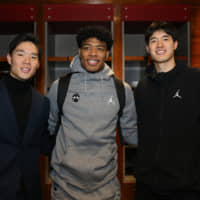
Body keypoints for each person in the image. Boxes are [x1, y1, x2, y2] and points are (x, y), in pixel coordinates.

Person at [47, 26, 138, 200]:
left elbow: (131, 134)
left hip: (107, 188)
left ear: (107, 54)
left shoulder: (122, 90)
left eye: (100, 48)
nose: (93, 54)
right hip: (65, 188)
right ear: (79, 52)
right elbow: (49, 130)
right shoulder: (60, 87)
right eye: (87, 48)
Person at [134, 21, 200, 200]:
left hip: (187, 187)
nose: (160, 45)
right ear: (148, 48)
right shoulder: (141, 87)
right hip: (146, 186)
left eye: (165, 39)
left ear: (175, 44)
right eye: (154, 41)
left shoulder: (195, 79)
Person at [0, 33, 52, 200]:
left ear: (38, 64)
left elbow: (43, 144)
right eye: (20, 54)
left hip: (30, 189)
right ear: (9, 58)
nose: (27, 61)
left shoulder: (42, 102)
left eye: (33, 57)